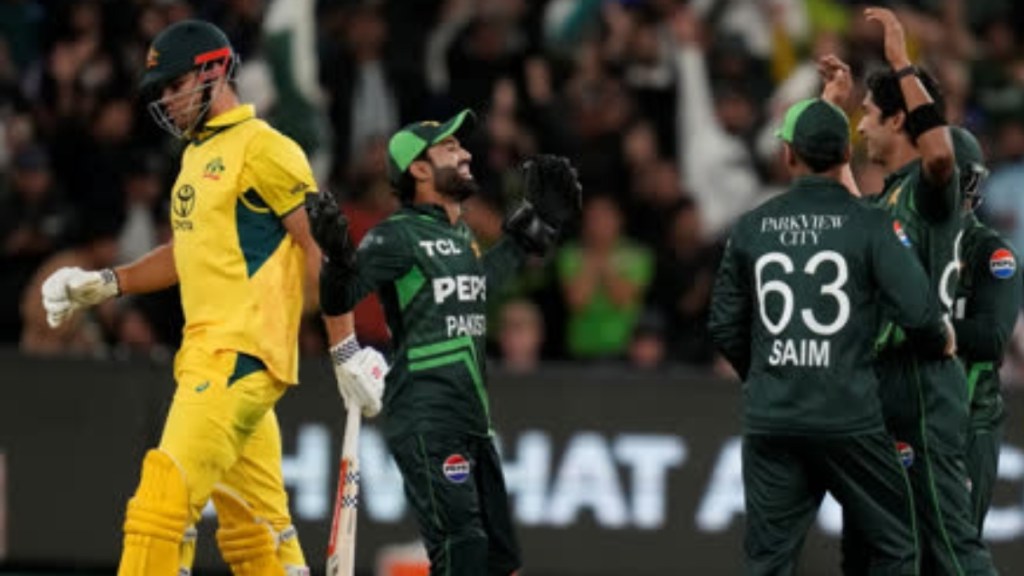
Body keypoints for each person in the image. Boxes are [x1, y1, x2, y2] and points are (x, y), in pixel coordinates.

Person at [38, 20, 384, 576]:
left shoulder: (266, 148)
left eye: (176, 85)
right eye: (162, 91)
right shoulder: (196, 157)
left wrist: (344, 347)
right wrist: (105, 282)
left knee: (161, 506)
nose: (167, 101)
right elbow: (188, 252)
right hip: (216, 362)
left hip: (235, 358)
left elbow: (323, 249)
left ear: (216, 70)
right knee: (260, 535)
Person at [306, 110, 581, 575]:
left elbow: (475, 289)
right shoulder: (396, 235)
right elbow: (342, 296)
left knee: (500, 560)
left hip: (472, 419)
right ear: (418, 168)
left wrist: (529, 237)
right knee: (462, 547)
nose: (466, 153)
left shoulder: (459, 233)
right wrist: (336, 257)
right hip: (427, 416)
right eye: (450, 148)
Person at [708, 97, 952, 575]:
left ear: (788, 155)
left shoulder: (751, 227)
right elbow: (920, 314)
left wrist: (768, 376)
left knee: (767, 561)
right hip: (848, 415)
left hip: (773, 417)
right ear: (845, 155)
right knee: (897, 545)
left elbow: (722, 324)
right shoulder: (871, 223)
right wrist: (936, 344)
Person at [833, 8, 997, 575]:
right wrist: (830, 110)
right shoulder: (892, 197)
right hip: (889, 381)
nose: (861, 128)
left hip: (924, 380)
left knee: (952, 546)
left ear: (899, 119)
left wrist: (902, 61)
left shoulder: (930, 195)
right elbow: (854, 212)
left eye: (868, 115)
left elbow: (941, 153)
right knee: (892, 547)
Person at [949, 126, 1021, 534]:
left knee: (957, 541)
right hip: (915, 413)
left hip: (970, 414)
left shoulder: (991, 252)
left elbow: (992, 337)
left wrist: (924, 326)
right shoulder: (908, 245)